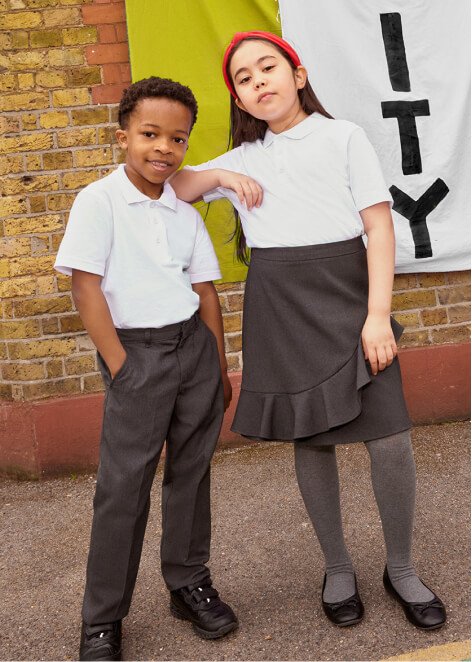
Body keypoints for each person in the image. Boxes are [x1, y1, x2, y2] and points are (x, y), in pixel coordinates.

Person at [171, 31, 446, 630]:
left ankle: (400, 568)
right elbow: (171, 185)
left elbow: (379, 230)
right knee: (312, 440)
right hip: (281, 307)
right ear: (240, 102)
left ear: (297, 75)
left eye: (267, 67)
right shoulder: (242, 159)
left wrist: (377, 317)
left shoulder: (342, 136)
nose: (258, 80)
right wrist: (220, 180)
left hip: (350, 301)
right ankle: (338, 567)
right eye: (243, 79)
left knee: (391, 439)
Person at [54, 76, 238, 662]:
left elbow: (205, 289)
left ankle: (187, 583)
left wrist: (219, 362)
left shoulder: (183, 208)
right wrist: (120, 366)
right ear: (123, 136)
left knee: (191, 473)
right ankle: (102, 620)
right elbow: (86, 287)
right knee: (123, 490)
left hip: (194, 352)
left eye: (177, 139)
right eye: (150, 134)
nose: (164, 148)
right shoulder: (100, 201)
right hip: (137, 355)